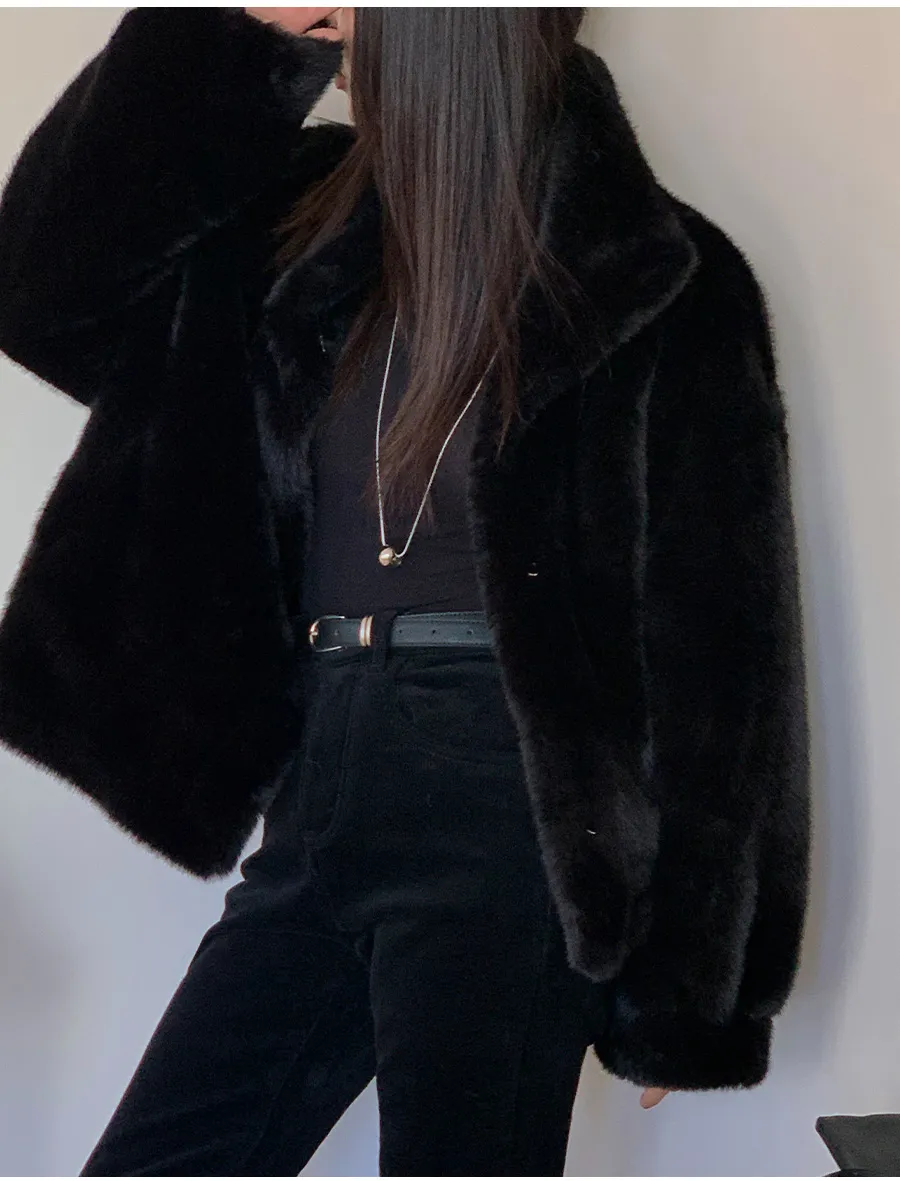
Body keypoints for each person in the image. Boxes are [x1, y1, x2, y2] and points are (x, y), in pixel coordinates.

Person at [0, 6, 811, 1176]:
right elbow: (42, 288)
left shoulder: (662, 277)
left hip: (510, 803)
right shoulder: (289, 230)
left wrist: (696, 990)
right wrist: (243, 45)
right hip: (320, 775)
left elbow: (728, 651)